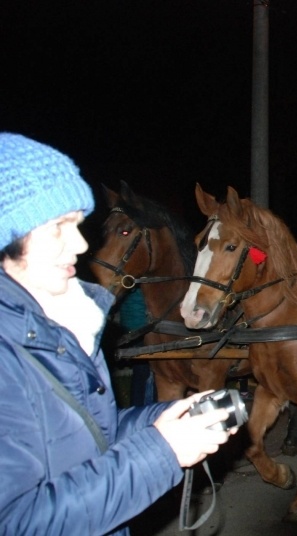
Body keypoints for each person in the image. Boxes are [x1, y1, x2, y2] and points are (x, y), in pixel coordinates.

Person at [0, 133, 235, 535]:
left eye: (77, 225)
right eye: (59, 227)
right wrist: (163, 451)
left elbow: (84, 435)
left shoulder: (59, 323)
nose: (79, 244)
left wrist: (164, 419)